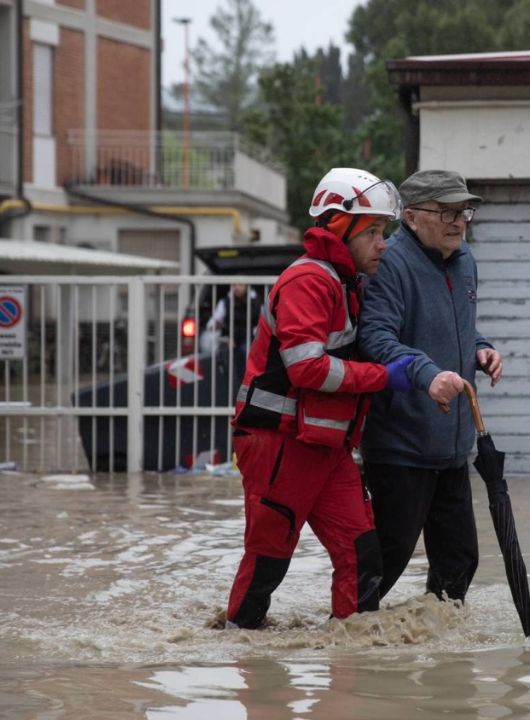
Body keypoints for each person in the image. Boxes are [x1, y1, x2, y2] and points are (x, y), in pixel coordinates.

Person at [225, 168, 415, 629]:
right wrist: (383, 377)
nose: (383, 244)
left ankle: (351, 668)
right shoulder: (309, 281)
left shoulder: (344, 282)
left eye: (383, 232)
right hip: (280, 445)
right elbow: (306, 368)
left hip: (324, 448)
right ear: (338, 228)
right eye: (372, 232)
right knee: (268, 563)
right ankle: (243, 665)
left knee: (363, 556)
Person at [358, 169, 504, 603]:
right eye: (445, 211)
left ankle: (441, 656)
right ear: (412, 216)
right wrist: (426, 373)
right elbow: (376, 339)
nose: (457, 221)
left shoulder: (465, 262)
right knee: (386, 561)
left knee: (460, 561)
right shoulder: (390, 263)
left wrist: (482, 348)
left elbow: (457, 330)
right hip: (401, 445)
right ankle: (345, 648)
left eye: (464, 211)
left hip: (453, 445)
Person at [206, 283, 260, 349]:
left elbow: (259, 325)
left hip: (249, 339)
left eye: (240, 285)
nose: (237, 288)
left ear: (246, 287)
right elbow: (213, 322)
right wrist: (216, 326)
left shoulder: (256, 304)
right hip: (229, 339)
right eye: (234, 285)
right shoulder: (225, 302)